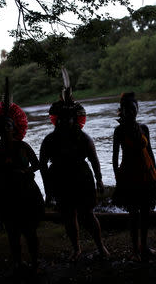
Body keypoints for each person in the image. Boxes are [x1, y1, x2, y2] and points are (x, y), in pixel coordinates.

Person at [39, 99, 109, 262]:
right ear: (56, 120)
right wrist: (48, 190)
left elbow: (94, 160)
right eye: (61, 118)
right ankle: (76, 249)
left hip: (82, 178)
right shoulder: (49, 140)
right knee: (68, 216)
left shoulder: (84, 138)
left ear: (75, 119)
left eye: (68, 118)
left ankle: (101, 247)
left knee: (88, 214)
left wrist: (99, 180)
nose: (64, 121)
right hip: (60, 180)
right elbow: (42, 165)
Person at [0, 98, 45, 273]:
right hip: (5, 196)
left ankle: (35, 262)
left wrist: (26, 172)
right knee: (12, 233)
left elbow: (37, 164)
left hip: (27, 194)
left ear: (15, 127)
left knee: (30, 231)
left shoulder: (23, 146)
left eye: (9, 125)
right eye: (3, 126)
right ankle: (18, 263)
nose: (6, 129)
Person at [112, 92, 156, 262]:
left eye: (133, 109)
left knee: (146, 213)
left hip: (146, 174)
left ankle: (144, 246)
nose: (131, 112)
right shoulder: (119, 130)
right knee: (133, 214)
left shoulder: (144, 128)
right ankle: (134, 250)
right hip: (128, 175)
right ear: (122, 111)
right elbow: (114, 157)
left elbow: (150, 152)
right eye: (127, 109)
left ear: (137, 109)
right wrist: (117, 178)